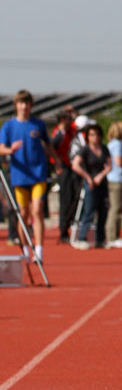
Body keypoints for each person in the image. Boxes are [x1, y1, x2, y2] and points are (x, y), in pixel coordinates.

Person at [0, 89, 61, 263]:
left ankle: (39, 251)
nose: (24, 106)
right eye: (21, 103)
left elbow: (48, 145)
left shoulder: (38, 125)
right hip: (20, 175)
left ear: (30, 106)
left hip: (38, 174)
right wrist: (10, 150)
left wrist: (56, 161)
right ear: (16, 105)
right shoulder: (9, 126)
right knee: (23, 213)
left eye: (27, 103)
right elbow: (1, 147)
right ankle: (25, 249)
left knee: (37, 210)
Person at [71, 123, 112, 249]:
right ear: (88, 136)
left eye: (97, 135)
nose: (95, 138)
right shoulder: (85, 149)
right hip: (90, 185)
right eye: (92, 135)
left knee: (103, 211)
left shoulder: (104, 148)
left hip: (102, 183)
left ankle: (100, 239)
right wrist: (88, 178)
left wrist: (101, 175)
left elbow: (110, 165)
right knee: (89, 211)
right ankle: (82, 237)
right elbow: (75, 165)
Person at [51, 109, 76, 243]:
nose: (70, 121)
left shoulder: (70, 131)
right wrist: (57, 164)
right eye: (67, 118)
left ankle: (70, 226)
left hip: (72, 168)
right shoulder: (58, 134)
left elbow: (79, 123)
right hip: (64, 169)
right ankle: (63, 231)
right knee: (65, 200)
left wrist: (72, 111)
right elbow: (51, 149)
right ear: (62, 120)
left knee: (73, 199)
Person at [105, 121, 122, 248]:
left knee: (118, 208)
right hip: (116, 178)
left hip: (117, 178)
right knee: (115, 208)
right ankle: (112, 236)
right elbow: (119, 161)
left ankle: (115, 235)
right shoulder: (117, 144)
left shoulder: (115, 143)